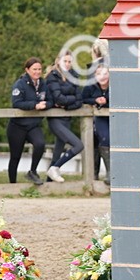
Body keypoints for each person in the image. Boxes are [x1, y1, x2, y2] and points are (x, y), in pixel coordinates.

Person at [44, 49, 85, 182]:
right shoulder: (52, 76)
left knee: (57, 152)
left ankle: (49, 184)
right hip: (55, 120)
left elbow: (79, 100)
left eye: (69, 62)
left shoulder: (74, 76)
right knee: (78, 145)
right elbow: (58, 98)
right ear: (58, 61)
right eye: (65, 61)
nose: (67, 64)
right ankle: (55, 168)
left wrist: (66, 105)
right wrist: (71, 99)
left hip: (67, 118)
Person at [8, 57, 49, 185]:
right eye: (34, 69)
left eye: (39, 69)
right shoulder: (20, 84)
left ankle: (32, 171)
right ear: (27, 70)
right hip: (17, 126)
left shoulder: (43, 84)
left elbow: (50, 100)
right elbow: (17, 103)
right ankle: (12, 184)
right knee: (15, 156)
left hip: (33, 125)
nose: (37, 72)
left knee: (40, 144)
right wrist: (34, 105)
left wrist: (46, 105)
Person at [83, 64, 110, 181]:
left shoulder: (115, 86)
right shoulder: (90, 87)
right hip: (98, 118)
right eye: (99, 74)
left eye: (105, 74)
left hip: (114, 118)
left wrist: (106, 101)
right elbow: (82, 99)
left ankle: (110, 173)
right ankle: (97, 174)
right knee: (102, 139)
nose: (102, 77)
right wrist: (95, 100)